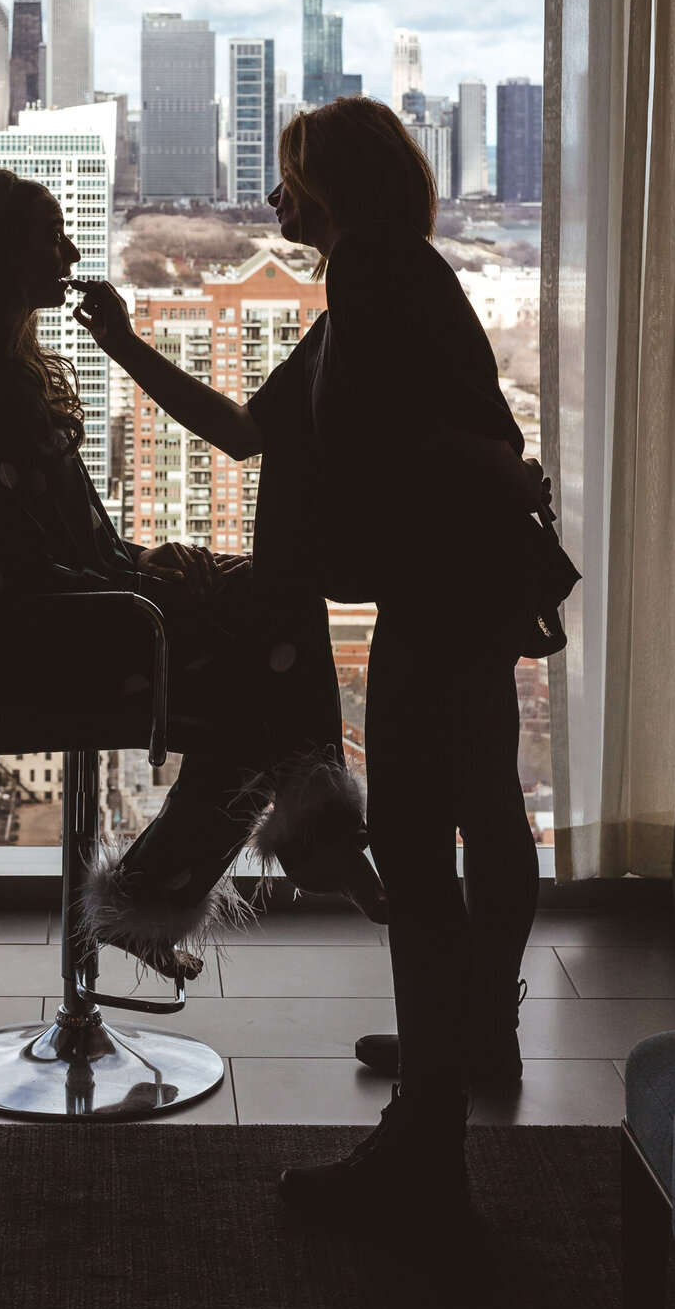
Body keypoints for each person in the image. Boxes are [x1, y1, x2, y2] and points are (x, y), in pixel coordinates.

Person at [75, 97, 551, 1229]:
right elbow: (251, 432)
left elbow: (455, 438)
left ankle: (425, 1148)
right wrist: (125, 341)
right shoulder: (375, 284)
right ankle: (478, 1035)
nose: (274, 199)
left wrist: (463, 458)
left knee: (429, 864)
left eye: (290, 179)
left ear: (336, 185)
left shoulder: (376, 268)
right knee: (487, 814)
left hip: (440, 598)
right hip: (469, 590)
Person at [0, 167, 385, 984]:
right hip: (42, 644)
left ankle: (243, 866)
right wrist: (148, 587)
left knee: (278, 595)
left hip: (81, 616)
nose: (73, 251)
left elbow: (66, 545)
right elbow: (27, 574)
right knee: (260, 674)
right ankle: (279, 853)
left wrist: (149, 564)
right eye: (50, 236)